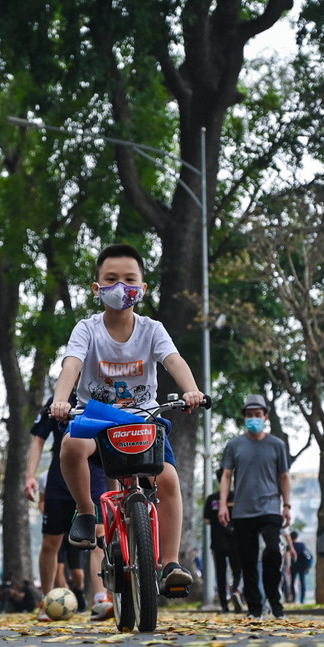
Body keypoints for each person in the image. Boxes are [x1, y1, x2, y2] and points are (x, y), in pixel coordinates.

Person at [49, 243, 204, 594]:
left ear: (143, 288)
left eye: (130, 279)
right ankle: (87, 514)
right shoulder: (87, 330)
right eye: (111, 279)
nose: (121, 287)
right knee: (71, 447)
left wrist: (191, 389)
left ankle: (170, 565)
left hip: (143, 418)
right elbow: (71, 364)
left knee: (168, 480)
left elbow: (174, 360)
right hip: (97, 417)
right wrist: (61, 399)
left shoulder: (152, 330)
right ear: (97, 288)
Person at [25, 394, 110, 620]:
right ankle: (45, 600)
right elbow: (38, 440)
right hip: (59, 480)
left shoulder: (103, 395)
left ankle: (101, 599)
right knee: (51, 541)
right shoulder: (58, 399)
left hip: (95, 476)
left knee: (99, 536)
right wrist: (30, 476)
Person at [217, 394, 291, 619]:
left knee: (272, 552)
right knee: (247, 560)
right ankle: (255, 607)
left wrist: (286, 505)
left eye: (258, 415)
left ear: (265, 417)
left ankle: (274, 601)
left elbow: (284, 476)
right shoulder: (234, 445)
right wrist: (223, 505)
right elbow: (227, 475)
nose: (254, 419)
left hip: (270, 508)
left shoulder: (277, 445)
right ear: (244, 418)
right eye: (249, 415)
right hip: (242, 510)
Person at [204, 487, 243, 612]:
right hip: (235, 541)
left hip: (217, 541)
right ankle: (235, 591)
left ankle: (224, 604)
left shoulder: (212, 499)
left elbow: (207, 520)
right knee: (237, 570)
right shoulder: (235, 497)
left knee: (220, 574)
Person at [289, 530, 312, 605]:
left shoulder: (290, 546)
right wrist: (309, 565)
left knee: (293, 582)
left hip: (294, 566)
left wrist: (287, 566)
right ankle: (302, 600)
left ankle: (294, 599)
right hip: (302, 566)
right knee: (303, 582)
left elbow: (287, 556)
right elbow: (309, 555)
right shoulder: (302, 545)